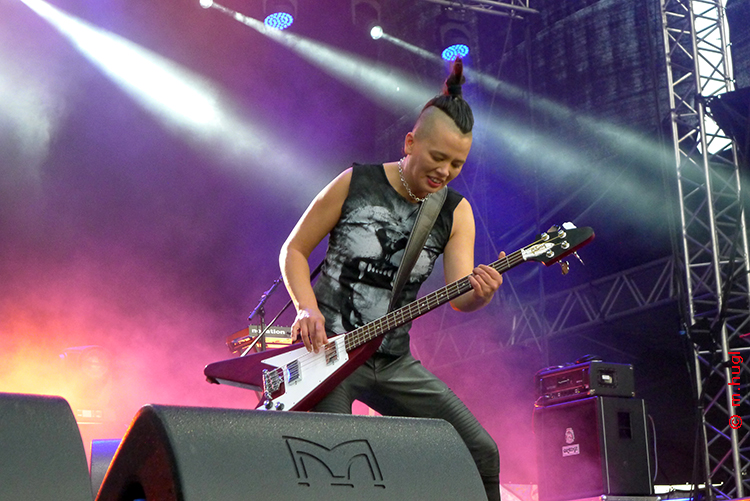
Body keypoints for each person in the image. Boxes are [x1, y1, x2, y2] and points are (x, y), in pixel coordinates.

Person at [279, 58, 504, 501]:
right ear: (410, 143)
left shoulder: (455, 212)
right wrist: (306, 308)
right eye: (437, 157)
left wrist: (481, 294)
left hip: (394, 361)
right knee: (336, 464)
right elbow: (294, 250)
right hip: (330, 357)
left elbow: (461, 297)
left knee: (481, 452)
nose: (445, 171)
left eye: (457, 164)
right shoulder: (355, 183)